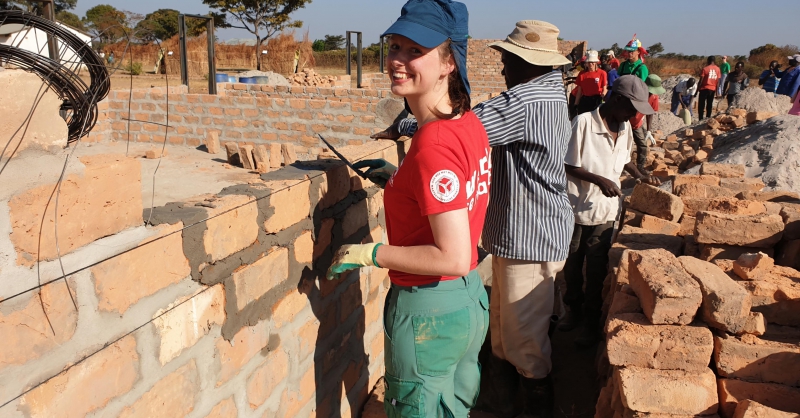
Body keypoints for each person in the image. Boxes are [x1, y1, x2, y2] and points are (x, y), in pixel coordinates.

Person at [373, 20, 575, 418]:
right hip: (526, 232)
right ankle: (498, 406)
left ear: (528, 62)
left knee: (524, 346)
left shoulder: (527, 102)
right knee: (503, 339)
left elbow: (461, 126)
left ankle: (529, 409)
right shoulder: (552, 94)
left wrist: (404, 126)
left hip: (528, 236)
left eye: (508, 60)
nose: (503, 69)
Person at [327, 2, 490, 417]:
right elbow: (456, 192)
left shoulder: (433, 144)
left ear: (448, 62)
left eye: (415, 50)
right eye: (395, 46)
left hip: (429, 313)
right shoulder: (466, 123)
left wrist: (370, 253)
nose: (397, 60)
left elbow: (451, 256)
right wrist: (400, 181)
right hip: (467, 303)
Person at [561, 75, 659, 346]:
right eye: (631, 108)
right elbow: (568, 165)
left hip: (606, 211)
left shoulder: (625, 127)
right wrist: (599, 180)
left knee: (596, 268)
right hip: (578, 209)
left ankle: (591, 321)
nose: (633, 115)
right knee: (572, 265)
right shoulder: (583, 123)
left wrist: (639, 174)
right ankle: (572, 309)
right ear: (616, 99)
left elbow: (624, 159)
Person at [574, 50, 608, 115]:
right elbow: (579, 91)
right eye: (589, 62)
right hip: (585, 101)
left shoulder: (602, 73)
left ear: (596, 62)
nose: (590, 64)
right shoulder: (582, 74)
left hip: (596, 100)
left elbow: (605, 89)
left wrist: (601, 98)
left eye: (592, 62)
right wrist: (576, 104)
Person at [697, 56, 721, 120]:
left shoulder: (705, 69)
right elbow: (717, 82)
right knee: (709, 104)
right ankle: (708, 117)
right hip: (712, 89)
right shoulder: (718, 69)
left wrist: (697, 90)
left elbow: (701, 81)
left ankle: (700, 119)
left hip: (704, 88)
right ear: (714, 61)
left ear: (708, 61)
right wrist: (717, 92)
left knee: (701, 105)